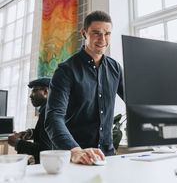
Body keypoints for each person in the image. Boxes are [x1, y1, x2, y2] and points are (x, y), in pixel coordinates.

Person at [45, 11, 124, 165]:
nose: (102, 39)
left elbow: (135, 103)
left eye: (107, 34)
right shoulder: (66, 70)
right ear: (84, 33)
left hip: (106, 157)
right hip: (74, 157)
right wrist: (74, 150)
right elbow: (53, 117)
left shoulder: (115, 68)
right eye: (96, 33)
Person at [8, 78, 52, 164]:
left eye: (34, 91)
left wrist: (17, 143)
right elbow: (47, 133)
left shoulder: (49, 112)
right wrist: (29, 133)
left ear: (46, 92)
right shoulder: (48, 109)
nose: (31, 95)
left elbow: (46, 150)